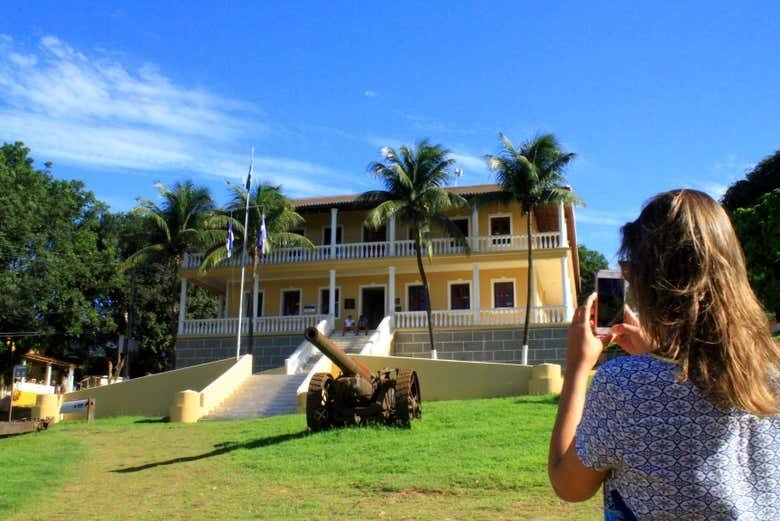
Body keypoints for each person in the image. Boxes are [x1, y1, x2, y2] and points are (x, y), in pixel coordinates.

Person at [548, 189, 780, 520]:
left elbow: (568, 484)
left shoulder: (624, 387)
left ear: (651, 282)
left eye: (630, 269)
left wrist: (578, 366)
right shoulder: (773, 371)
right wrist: (658, 353)